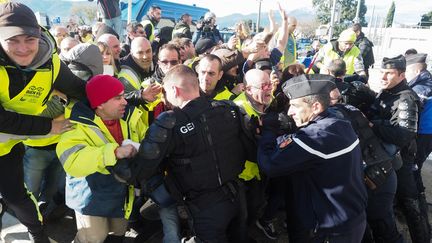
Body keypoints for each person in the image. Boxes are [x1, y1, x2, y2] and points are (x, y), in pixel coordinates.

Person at [111, 65, 256, 242]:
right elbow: (253, 149)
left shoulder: (169, 121)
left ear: (174, 90)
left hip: (205, 207)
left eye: (165, 91)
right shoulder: (228, 108)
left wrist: (116, 156)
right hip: (239, 196)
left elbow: (139, 170)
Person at [0, 2, 86, 241]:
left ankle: (37, 234)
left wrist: (128, 99)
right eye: (12, 40)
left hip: (7, 150)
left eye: (29, 39)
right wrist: (48, 127)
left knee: (17, 198)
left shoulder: (51, 62)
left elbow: (82, 91)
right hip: (18, 134)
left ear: (39, 34)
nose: (23, 49)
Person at [258, 74, 368, 242]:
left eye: (295, 106)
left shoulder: (315, 137)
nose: (290, 111)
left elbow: (270, 165)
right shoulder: (338, 122)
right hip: (351, 218)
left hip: (330, 230)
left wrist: (268, 132)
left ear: (316, 106)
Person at [56, 75, 146, 243]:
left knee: (118, 233)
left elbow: (145, 139)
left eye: (123, 96)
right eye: (117, 98)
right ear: (100, 104)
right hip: (89, 197)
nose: (125, 102)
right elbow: (72, 162)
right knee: (93, 238)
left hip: (121, 193)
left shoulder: (131, 116)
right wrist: (114, 153)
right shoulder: (75, 125)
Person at [365, 55, 429, 243]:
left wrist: (373, 125)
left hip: (401, 160)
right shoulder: (387, 91)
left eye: (389, 73)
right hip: (384, 156)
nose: (383, 77)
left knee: (410, 202)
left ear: (401, 75)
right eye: (382, 72)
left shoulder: (406, 98)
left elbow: (403, 134)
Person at [405, 53, 432, 237]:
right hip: (427, 132)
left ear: (415, 69)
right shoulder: (427, 80)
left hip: (423, 133)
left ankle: (420, 213)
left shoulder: (421, 87)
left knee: (414, 170)